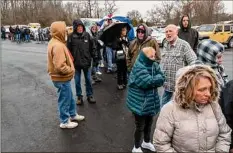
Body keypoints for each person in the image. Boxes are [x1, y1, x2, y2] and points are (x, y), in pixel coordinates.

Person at [153, 65, 232, 152]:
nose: (208, 94)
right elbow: (161, 143)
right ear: (187, 89)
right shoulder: (170, 110)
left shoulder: (214, 106)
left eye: (210, 88)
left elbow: (225, 133)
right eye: (202, 89)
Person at [126, 47, 165, 152]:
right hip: (140, 103)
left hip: (150, 101)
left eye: (154, 56)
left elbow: (162, 77)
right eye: (150, 56)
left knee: (149, 123)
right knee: (140, 126)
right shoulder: (139, 67)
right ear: (144, 57)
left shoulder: (154, 65)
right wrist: (158, 79)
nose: (153, 58)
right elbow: (147, 82)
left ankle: (146, 142)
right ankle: (136, 147)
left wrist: (157, 79)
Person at [47, 21, 85, 129]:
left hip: (62, 78)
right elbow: (60, 66)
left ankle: (72, 114)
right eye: (64, 30)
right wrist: (70, 70)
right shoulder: (58, 45)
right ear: (59, 31)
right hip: (61, 78)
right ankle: (64, 121)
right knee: (64, 99)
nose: (66, 32)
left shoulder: (54, 41)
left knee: (69, 97)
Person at [160, 24, 197, 107]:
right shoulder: (166, 44)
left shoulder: (184, 45)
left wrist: (187, 79)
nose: (168, 33)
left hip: (180, 86)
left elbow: (194, 62)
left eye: (170, 31)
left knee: (180, 107)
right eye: (166, 32)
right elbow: (164, 61)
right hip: (167, 84)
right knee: (162, 107)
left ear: (176, 32)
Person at [67, 19, 96, 105]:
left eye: (81, 27)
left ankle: (90, 95)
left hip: (87, 63)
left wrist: (94, 56)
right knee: (77, 81)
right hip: (76, 64)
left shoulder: (87, 35)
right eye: (78, 27)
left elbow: (93, 47)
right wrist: (70, 62)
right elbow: (68, 51)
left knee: (88, 80)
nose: (80, 28)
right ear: (75, 28)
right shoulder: (71, 37)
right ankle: (79, 97)